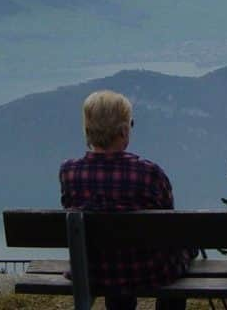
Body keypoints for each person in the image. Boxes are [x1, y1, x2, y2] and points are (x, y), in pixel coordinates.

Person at [60, 90, 191, 310]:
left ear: (87, 130)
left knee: (114, 255)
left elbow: (70, 209)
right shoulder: (149, 173)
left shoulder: (70, 172)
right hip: (148, 271)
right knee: (181, 250)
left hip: (94, 270)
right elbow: (169, 225)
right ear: (123, 131)